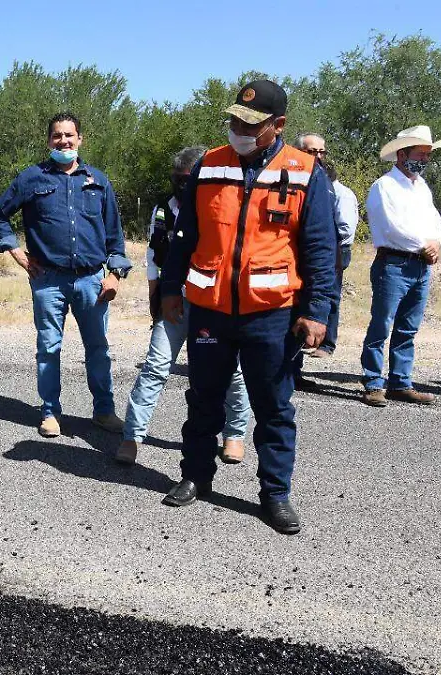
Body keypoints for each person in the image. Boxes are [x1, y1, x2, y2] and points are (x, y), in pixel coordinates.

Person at [158, 80, 337, 535]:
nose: (239, 128)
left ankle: (275, 495)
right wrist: (170, 289)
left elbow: (320, 246)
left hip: (271, 313)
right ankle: (195, 477)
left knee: (273, 408)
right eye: (236, 119)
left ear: (279, 125)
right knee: (203, 400)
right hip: (212, 309)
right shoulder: (210, 164)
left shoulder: (304, 171)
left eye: (251, 124)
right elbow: (186, 234)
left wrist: (317, 310)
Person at [0, 112, 132, 439]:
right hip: (48, 280)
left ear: (80, 139)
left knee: (98, 348)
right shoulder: (31, 179)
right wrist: (15, 251)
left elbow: (115, 234)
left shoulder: (98, 180)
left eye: (69, 135)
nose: (64, 141)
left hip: (91, 281)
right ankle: (51, 412)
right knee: (49, 348)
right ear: (48, 140)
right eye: (57, 136)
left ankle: (104, 411)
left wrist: (115, 275)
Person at [118, 146, 251, 466]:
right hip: (174, 300)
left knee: (231, 371)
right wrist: (156, 301)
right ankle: (132, 436)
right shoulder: (163, 210)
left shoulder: (226, 204)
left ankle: (234, 434)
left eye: (187, 180)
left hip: (214, 302)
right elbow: (153, 259)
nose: (182, 187)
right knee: (156, 366)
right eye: (177, 180)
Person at [360, 125, 441, 407]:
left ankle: (400, 382)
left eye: (427, 155)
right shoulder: (384, 186)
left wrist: (437, 241)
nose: (425, 160)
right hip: (394, 263)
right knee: (382, 324)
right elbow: (391, 227)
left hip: (420, 266)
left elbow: (436, 221)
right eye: (421, 154)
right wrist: (427, 243)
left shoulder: (421, 187)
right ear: (402, 154)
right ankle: (374, 382)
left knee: (408, 328)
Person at [290, 133, 360, 361]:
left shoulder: (330, 187)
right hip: (292, 256)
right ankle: (293, 364)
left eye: (322, 152)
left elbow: (341, 228)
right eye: (312, 152)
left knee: (325, 299)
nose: (318, 156)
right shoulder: (286, 178)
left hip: (325, 253)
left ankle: (325, 343)